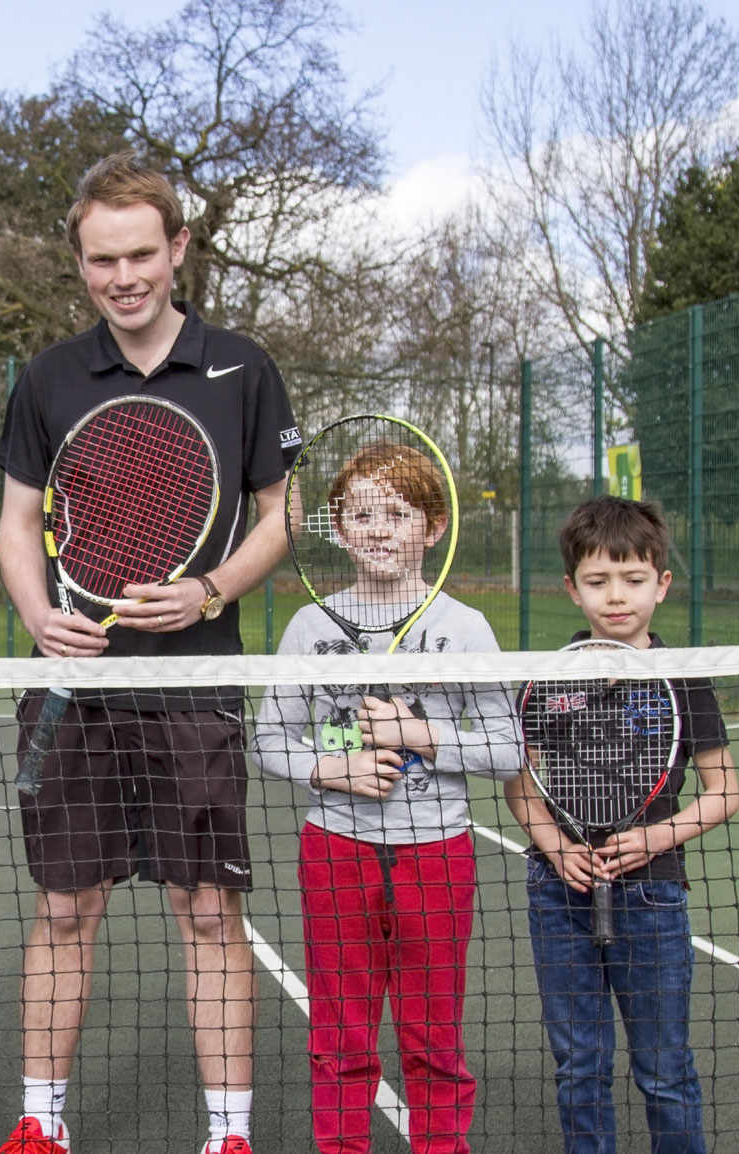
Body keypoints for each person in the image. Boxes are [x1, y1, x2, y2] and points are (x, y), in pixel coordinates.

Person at [0, 152, 302, 1154]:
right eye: (98, 260)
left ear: (174, 248)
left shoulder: (240, 367)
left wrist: (207, 589)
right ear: (78, 261)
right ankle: (40, 1122)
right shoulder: (45, 377)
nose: (121, 277)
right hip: (72, 686)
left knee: (207, 911)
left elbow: (279, 514)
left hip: (193, 686)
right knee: (63, 906)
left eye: (138, 255)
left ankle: (227, 1135)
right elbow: (14, 521)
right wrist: (40, 614)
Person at [253, 441, 523, 1154]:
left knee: (433, 1032)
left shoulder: (465, 628)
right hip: (335, 849)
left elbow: (508, 748)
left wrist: (422, 734)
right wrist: (333, 768)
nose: (379, 529)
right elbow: (271, 741)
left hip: (437, 851)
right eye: (362, 514)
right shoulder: (311, 626)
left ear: (433, 527)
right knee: (340, 1033)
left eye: (398, 513)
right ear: (339, 530)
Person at [502, 496, 739, 1154]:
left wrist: (654, 838)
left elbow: (724, 792)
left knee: (664, 1071)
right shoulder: (547, 680)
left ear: (661, 585)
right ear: (572, 589)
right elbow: (521, 786)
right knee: (580, 1069)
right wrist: (554, 849)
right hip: (560, 895)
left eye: (633, 580)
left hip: (653, 894)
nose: (617, 596)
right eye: (598, 581)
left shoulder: (684, 681)